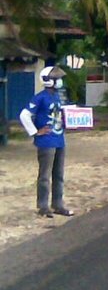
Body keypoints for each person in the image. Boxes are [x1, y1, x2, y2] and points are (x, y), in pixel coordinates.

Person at [19, 66, 74, 218]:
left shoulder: (56, 96)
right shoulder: (40, 97)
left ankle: (58, 204)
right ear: (48, 80)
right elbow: (24, 115)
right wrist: (35, 132)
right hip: (46, 142)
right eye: (56, 78)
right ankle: (43, 207)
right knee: (45, 176)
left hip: (59, 139)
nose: (59, 81)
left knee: (59, 174)